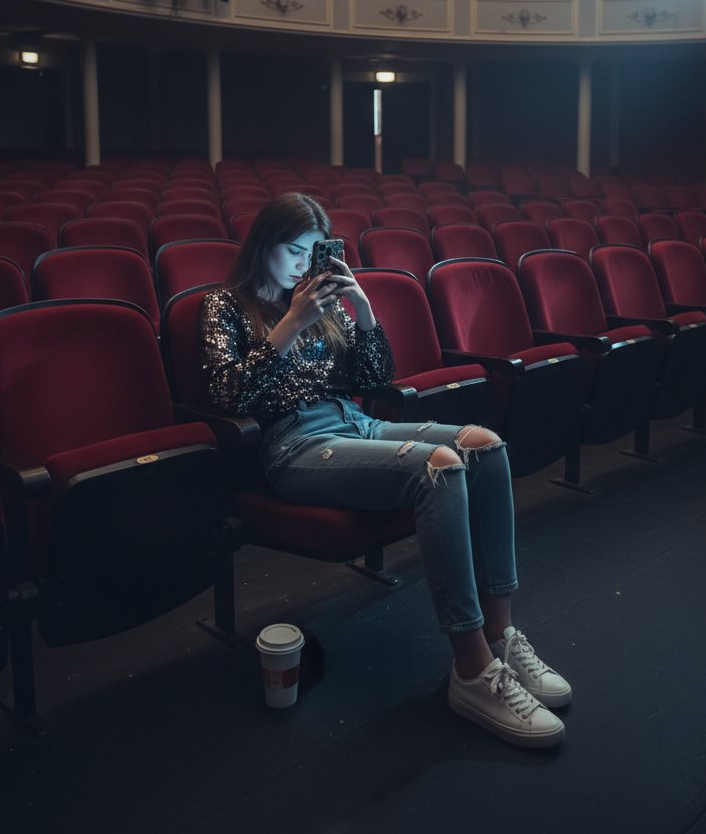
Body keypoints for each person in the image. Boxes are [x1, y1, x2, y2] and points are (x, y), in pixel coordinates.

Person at [199, 192, 571, 747]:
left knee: (486, 447)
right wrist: (292, 323)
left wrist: (362, 308)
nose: (302, 264)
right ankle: (472, 670)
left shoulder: (318, 299)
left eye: (313, 252)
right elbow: (228, 393)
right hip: (293, 443)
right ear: (263, 245)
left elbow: (375, 378)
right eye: (293, 250)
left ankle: (501, 634)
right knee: (440, 467)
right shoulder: (225, 304)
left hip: (356, 421)